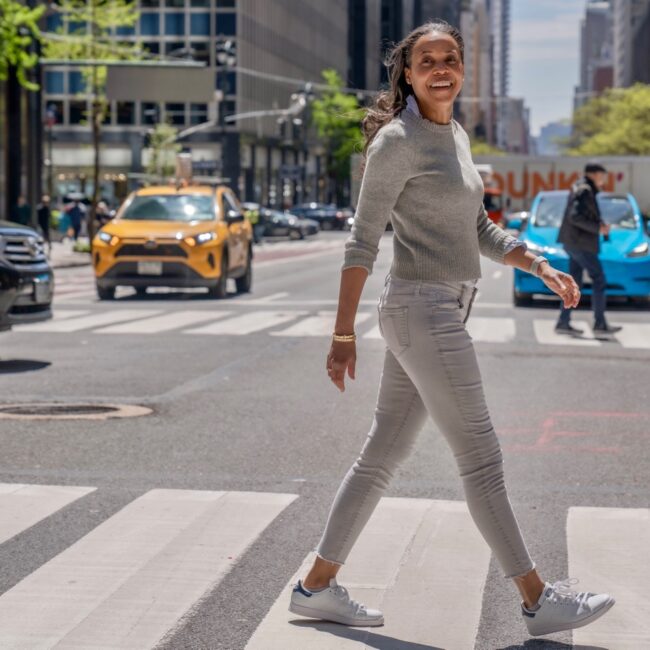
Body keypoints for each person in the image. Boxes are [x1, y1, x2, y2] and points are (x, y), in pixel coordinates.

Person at [288, 22, 615, 638]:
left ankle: (316, 586)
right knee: (482, 459)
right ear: (407, 74)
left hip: (438, 310)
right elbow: (361, 241)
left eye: (452, 59)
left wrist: (539, 263)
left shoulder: (454, 136)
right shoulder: (397, 142)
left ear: (461, 70)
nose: (442, 69)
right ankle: (535, 597)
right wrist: (341, 335)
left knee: (381, 455)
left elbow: (479, 231)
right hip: (423, 311)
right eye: (428, 61)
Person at [556, 163, 621, 335]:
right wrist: (597, 228)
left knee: (573, 282)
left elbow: (582, 215)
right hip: (580, 244)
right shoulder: (585, 189)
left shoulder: (581, 186)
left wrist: (598, 224)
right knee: (599, 279)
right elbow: (575, 217)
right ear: (594, 174)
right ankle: (599, 323)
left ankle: (563, 322)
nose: (604, 178)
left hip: (574, 242)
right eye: (602, 174)